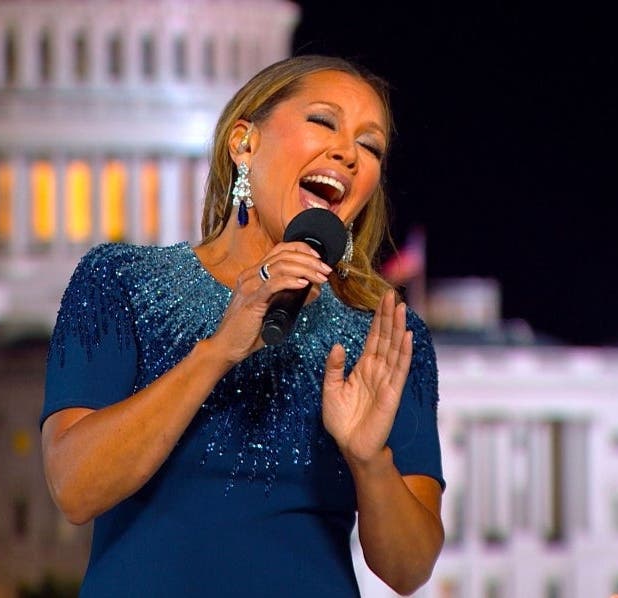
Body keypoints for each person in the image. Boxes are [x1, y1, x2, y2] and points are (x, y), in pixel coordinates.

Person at [41, 54, 445, 597]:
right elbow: (74, 488)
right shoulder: (121, 282)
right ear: (244, 143)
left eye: (370, 146)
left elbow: (408, 570)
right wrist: (218, 351)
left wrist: (369, 459)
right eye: (323, 122)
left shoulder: (386, 337)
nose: (348, 153)